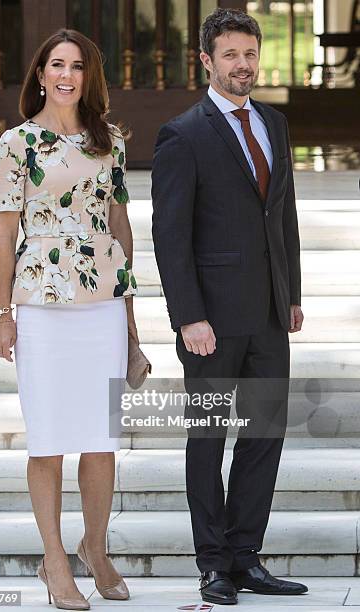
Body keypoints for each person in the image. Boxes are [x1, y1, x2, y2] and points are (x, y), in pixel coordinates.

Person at [152, 8, 307, 607]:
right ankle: (213, 565)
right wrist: (189, 316)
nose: (243, 65)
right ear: (207, 61)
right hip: (210, 325)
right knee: (208, 439)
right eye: (231, 56)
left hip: (269, 317)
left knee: (264, 437)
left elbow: (282, 215)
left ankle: (246, 558)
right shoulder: (182, 133)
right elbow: (171, 233)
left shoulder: (274, 123)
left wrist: (290, 293)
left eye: (250, 54)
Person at [0, 29, 137, 610]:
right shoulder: (16, 145)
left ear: (89, 76)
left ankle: (94, 547)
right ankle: (56, 563)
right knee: (48, 442)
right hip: (41, 308)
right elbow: (4, 241)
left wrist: (131, 322)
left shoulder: (112, 141)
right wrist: (3, 315)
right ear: (41, 73)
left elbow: (121, 227)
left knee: (100, 442)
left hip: (102, 303)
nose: (67, 75)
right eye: (57, 64)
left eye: (77, 66)